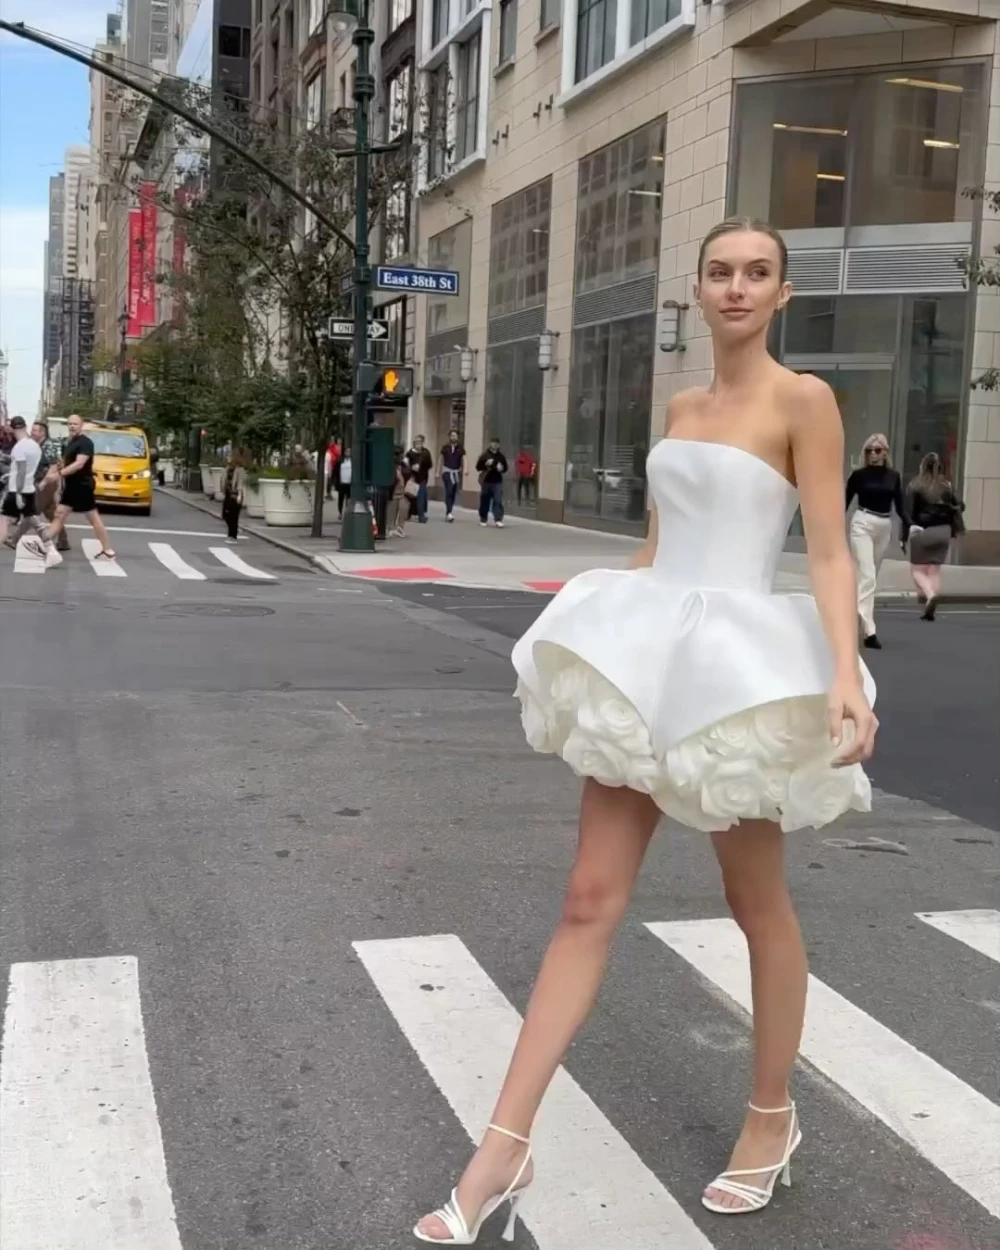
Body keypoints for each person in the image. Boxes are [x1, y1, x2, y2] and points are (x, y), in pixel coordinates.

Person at [413, 218, 878, 1244]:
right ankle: (504, 1143)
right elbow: (659, 547)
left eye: (757, 272)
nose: (737, 286)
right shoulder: (681, 401)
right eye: (720, 271)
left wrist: (843, 673)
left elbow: (829, 551)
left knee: (754, 899)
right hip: (654, 649)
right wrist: (594, 642)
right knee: (587, 897)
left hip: (738, 670)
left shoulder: (805, 400)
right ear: (699, 288)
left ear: (782, 293)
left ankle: (771, 1117)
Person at [845, 433, 906, 650]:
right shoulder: (859, 475)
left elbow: (900, 505)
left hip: (884, 526)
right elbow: (844, 501)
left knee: (868, 578)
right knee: (868, 576)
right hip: (862, 522)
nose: (873, 454)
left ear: (885, 453)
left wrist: (907, 528)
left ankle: (853, 618)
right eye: (869, 450)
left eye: (878, 450)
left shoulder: (893, 476)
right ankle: (869, 631)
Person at [45, 413, 116, 562]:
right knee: (60, 513)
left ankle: (108, 550)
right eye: (70, 424)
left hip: (82, 485)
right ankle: (44, 543)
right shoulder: (71, 442)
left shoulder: (86, 443)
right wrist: (61, 466)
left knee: (92, 517)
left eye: (75, 424)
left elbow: (79, 464)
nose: (72, 426)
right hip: (72, 485)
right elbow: (69, 462)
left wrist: (59, 474)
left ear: (81, 425)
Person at [904, 452, 964, 621]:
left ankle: (930, 595)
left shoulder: (915, 485)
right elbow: (960, 505)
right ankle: (931, 605)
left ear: (922, 466)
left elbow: (909, 511)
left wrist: (905, 533)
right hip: (943, 530)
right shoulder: (946, 485)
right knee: (934, 570)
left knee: (917, 569)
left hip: (922, 529)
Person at [1, 417, 59, 565]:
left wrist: (18, 493)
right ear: (25, 427)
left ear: (13, 429)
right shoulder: (34, 446)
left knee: (4, 519)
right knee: (33, 519)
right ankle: (51, 549)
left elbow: (21, 470)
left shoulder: (20, 447)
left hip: (19, 489)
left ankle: (51, 549)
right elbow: (25, 467)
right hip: (29, 487)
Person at [32, 421, 71, 551]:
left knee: (32, 512)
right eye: (33, 430)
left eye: (36, 430)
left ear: (42, 432)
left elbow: (53, 466)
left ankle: (15, 538)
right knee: (52, 513)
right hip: (42, 481)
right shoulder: (38, 445)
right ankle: (63, 540)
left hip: (47, 483)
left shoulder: (48, 446)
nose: (33, 432)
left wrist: (43, 482)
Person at [475, 437, 508, 528]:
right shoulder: (485, 455)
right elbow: (478, 467)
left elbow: (505, 468)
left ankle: (498, 519)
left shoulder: (501, 456)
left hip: (497, 481)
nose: (495, 444)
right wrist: (486, 464)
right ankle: (483, 519)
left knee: (498, 500)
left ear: (499, 445)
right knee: (485, 500)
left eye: (497, 443)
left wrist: (501, 468)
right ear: (490, 444)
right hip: (486, 481)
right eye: (493, 442)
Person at [405, 434, 434, 523]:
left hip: (422, 478)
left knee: (421, 497)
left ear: (422, 442)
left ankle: (421, 516)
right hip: (412, 478)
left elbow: (430, 465)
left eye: (419, 442)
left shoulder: (426, 452)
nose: (418, 443)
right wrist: (411, 467)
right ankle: (408, 514)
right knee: (410, 496)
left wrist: (421, 466)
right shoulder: (410, 453)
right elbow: (405, 463)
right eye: (416, 442)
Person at [439, 430, 465, 521]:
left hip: (456, 473)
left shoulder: (460, 448)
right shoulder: (445, 447)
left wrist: (465, 469)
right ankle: (449, 512)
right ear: (449, 437)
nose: (453, 437)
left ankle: (449, 511)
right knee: (449, 490)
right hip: (447, 472)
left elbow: (464, 458)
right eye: (451, 435)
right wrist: (438, 471)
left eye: (455, 436)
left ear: (457, 437)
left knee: (453, 492)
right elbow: (440, 458)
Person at [221, 453, 246, 544]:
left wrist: (239, 495)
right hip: (228, 494)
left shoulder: (240, 470)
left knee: (234, 516)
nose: (228, 458)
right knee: (225, 515)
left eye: (230, 456)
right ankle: (235, 529)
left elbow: (241, 483)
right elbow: (224, 481)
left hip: (236, 495)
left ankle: (232, 536)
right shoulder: (227, 469)